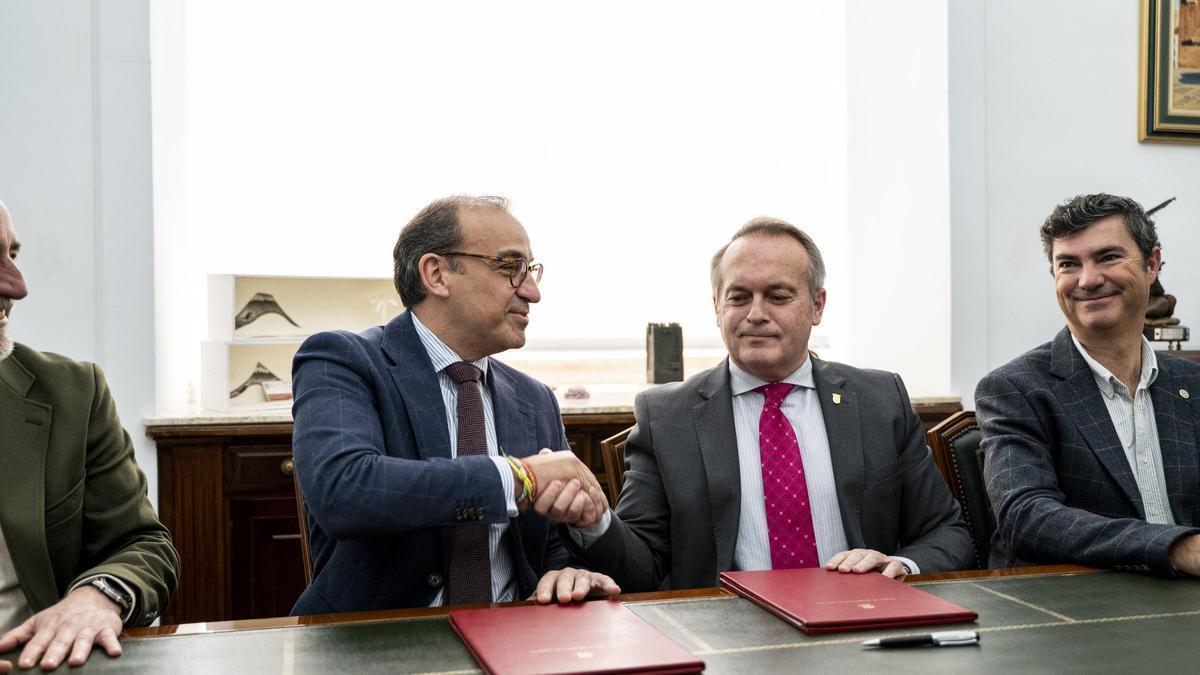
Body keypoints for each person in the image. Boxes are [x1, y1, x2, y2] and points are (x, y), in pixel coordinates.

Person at [570, 217, 973, 592]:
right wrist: (596, 523)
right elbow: (640, 568)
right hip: (727, 638)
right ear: (717, 307)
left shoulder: (879, 400)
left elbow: (947, 532)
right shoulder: (666, 418)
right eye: (739, 297)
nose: (756, 314)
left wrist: (899, 565)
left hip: (857, 623)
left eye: (778, 296)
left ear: (817, 305)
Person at [290, 195, 618, 614]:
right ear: (437, 274)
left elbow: (551, 542)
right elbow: (345, 489)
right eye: (510, 267)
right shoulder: (342, 359)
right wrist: (519, 477)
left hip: (516, 639)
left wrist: (567, 571)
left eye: (531, 271)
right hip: (372, 639)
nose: (532, 292)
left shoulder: (535, 399)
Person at [976, 193, 1200, 576]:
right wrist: (1174, 547)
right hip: (1077, 611)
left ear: (1152, 264)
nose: (1088, 280)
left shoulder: (1192, 384)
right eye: (1068, 264)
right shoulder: (1014, 389)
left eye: (1108, 257)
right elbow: (1025, 517)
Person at [0, 200, 180, 672]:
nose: (17, 287)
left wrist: (98, 595)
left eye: (13, 256)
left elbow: (144, 546)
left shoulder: (74, 393)